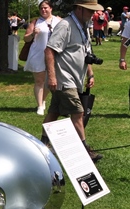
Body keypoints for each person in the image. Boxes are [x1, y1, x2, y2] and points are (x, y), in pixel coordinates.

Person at [41, 0, 104, 162]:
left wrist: (90, 73)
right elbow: (49, 50)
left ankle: (42, 145)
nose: (93, 14)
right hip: (64, 78)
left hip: (74, 79)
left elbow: (84, 53)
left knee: (54, 112)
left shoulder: (83, 27)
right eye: (90, 11)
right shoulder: (66, 25)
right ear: (80, 9)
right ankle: (84, 150)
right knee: (78, 112)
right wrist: (53, 76)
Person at [23, 1, 61, 115]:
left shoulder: (58, 21)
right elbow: (26, 39)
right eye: (41, 8)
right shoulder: (36, 22)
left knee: (50, 81)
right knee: (39, 81)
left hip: (54, 55)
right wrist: (32, 34)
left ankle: (43, 99)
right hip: (38, 54)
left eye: (46, 8)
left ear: (51, 8)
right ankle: (40, 106)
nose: (43, 10)